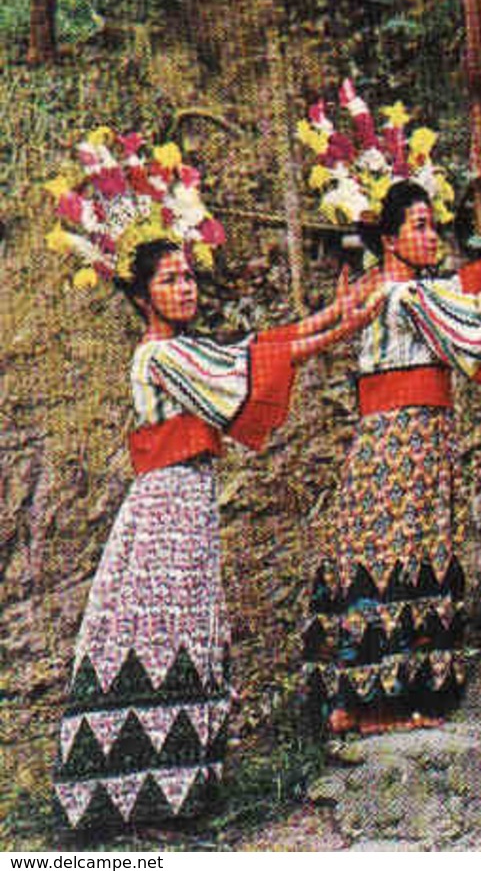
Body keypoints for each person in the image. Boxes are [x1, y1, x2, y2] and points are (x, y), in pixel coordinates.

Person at [44, 131, 373, 830]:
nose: (184, 287)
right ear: (141, 295)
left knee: (184, 628)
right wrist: (336, 328)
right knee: (158, 634)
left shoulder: (183, 349)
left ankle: (171, 787)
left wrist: (333, 318)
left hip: (185, 499)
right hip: (164, 505)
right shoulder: (160, 357)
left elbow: (243, 355)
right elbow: (243, 370)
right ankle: (129, 795)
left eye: (189, 276)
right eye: (169, 280)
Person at [302, 164, 481, 735]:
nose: (432, 236)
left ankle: (353, 696)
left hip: (398, 436)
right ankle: (378, 706)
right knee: (400, 550)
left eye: (434, 226)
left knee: (383, 550)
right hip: (404, 439)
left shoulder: (387, 288)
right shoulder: (406, 294)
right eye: (418, 227)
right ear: (389, 240)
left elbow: (467, 283)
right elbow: (479, 314)